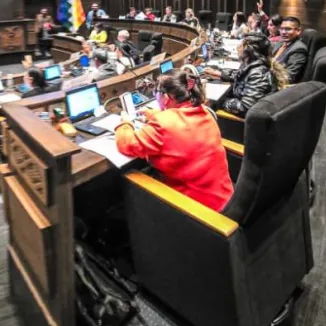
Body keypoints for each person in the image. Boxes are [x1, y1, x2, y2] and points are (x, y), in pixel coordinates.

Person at [115, 67, 234, 212]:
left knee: (126, 180)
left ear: (166, 98)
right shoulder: (204, 112)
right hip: (224, 199)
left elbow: (126, 144)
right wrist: (155, 115)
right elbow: (179, 122)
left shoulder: (163, 123)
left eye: (156, 92)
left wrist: (125, 123)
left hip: (197, 213)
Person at [205, 33, 286, 116]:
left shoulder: (258, 73)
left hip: (241, 121)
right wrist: (220, 74)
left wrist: (221, 101)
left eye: (241, 45)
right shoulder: (254, 65)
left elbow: (245, 107)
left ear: (249, 50)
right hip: (244, 106)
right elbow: (241, 75)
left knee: (208, 105)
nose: (238, 47)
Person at [274, 16, 308, 83]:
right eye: (281, 29)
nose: (283, 32)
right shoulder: (281, 42)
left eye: (288, 29)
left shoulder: (299, 49)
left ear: (298, 31)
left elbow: (288, 77)